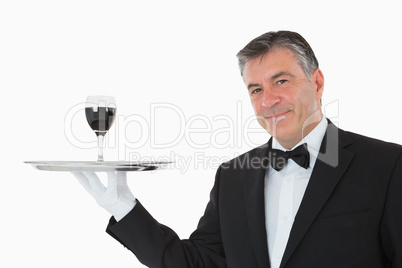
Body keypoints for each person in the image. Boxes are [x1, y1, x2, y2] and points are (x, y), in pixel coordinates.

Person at [73, 31, 402, 268]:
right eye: (256, 89)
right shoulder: (233, 177)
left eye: (281, 81)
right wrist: (125, 208)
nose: (268, 101)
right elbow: (196, 263)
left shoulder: (388, 166)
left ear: (316, 83)